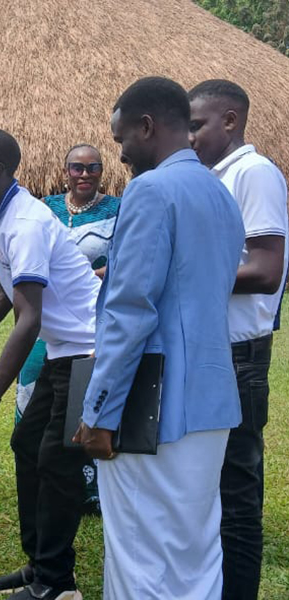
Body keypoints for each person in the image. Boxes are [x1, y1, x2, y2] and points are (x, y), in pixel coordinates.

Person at [74, 76, 245, 599]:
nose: (120, 153)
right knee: (196, 554)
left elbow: (129, 311)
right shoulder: (219, 192)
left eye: (122, 138)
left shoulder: (149, 191)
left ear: (146, 126)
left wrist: (99, 412)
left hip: (154, 408)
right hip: (211, 403)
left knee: (140, 558)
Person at [0, 129, 100, 600]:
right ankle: (40, 564)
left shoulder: (25, 222)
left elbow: (29, 319)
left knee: (58, 462)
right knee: (27, 445)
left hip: (89, 349)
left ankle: (57, 584)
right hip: (64, 348)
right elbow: (9, 290)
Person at [188, 79, 288, 600]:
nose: (189, 136)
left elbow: (267, 270)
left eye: (197, 125)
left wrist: (183, 274)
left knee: (237, 494)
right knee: (208, 487)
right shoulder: (213, 177)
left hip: (239, 358)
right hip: (211, 352)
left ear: (230, 121)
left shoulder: (254, 173)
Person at [15, 144, 120, 515]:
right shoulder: (45, 209)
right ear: (65, 172)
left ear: (102, 171)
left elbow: (130, 259)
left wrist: (100, 274)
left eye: (93, 167)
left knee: (79, 403)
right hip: (43, 322)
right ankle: (41, 479)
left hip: (88, 324)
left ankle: (88, 489)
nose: (85, 174)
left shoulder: (118, 210)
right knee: (33, 401)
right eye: (77, 168)